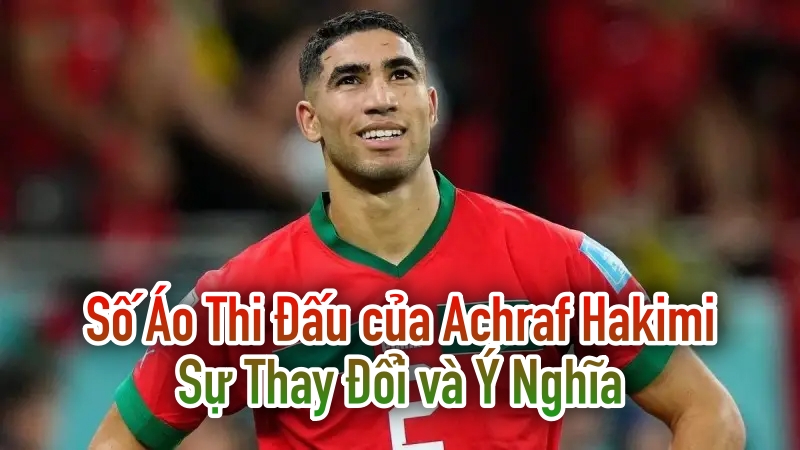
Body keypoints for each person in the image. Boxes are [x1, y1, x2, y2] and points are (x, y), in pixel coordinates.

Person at [89, 10, 745, 450]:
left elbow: (709, 412)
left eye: (399, 75)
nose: (380, 97)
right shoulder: (245, 295)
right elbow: (120, 439)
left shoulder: (559, 261)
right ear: (309, 120)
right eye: (350, 80)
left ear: (431, 106)